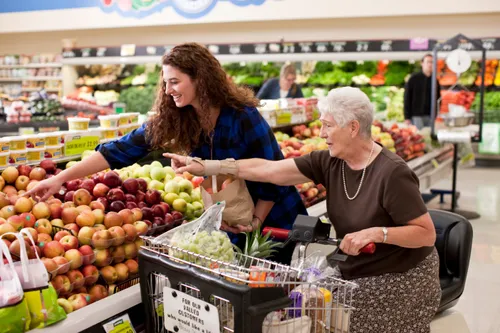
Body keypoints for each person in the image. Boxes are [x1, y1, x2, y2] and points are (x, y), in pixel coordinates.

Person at [166, 87, 442, 333]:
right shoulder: (330, 161)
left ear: (353, 128)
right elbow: (269, 169)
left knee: (337, 319)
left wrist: (376, 233)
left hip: (400, 278)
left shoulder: (392, 174)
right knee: (300, 306)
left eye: (328, 126)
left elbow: (425, 234)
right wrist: (207, 167)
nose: (321, 134)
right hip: (354, 269)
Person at [25, 43, 307, 265]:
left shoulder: (243, 116)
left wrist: (256, 223)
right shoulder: (180, 118)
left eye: (175, 82)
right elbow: (119, 151)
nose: (168, 90)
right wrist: (60, 179)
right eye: (165, 83)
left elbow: (273, 172)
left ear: (201, 79)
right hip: (234, 223)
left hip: (275, 222)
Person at [404, 53, 442, 129]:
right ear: (422, 63)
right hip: (416, 115)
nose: (430, 64)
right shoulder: (413, 78)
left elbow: (438, 98)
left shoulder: (435, 80)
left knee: (428, 136)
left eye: (432, 62)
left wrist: (436, 113)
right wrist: (407, 117)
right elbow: (407, 97)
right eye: (428, 62)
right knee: (419, 136)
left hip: (430, 115)